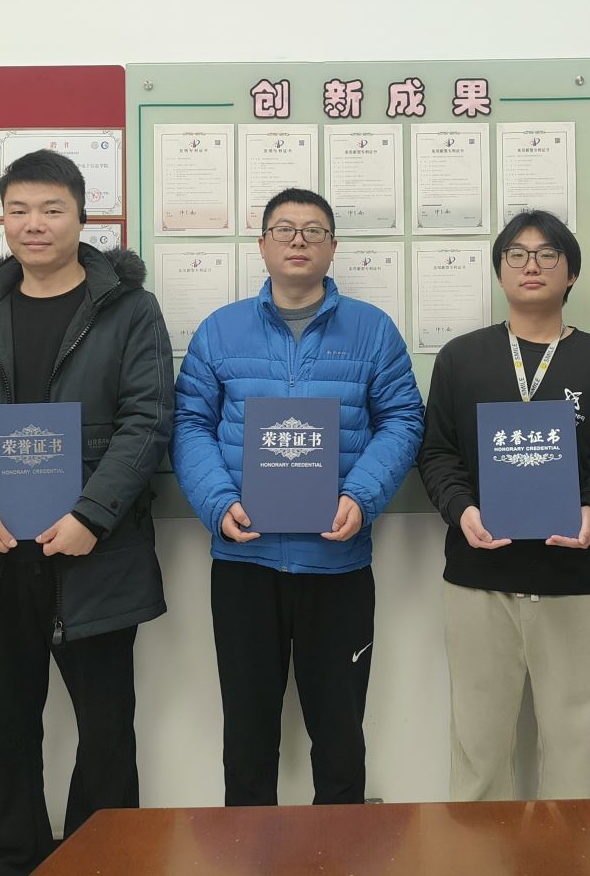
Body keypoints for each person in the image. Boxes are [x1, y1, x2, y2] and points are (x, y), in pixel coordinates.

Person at [0, 149, 174, 876]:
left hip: (95, 554)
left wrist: (92, 515)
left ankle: (104, 864)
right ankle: (9, 861)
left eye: (52, 209)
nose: (35, 224)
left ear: (82, 217)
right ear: (3, 218)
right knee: (2, 734)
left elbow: (148, 419)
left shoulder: (129, 308)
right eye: (20, 210)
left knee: (105, 733)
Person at [173, 187, 423, 806]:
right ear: (262, 245)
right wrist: (217, 502)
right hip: (245, 562)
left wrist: (361, 495)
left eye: (314, 231)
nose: (298, 241)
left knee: (339, 734)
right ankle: (248, 849)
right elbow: (189, 424)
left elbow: (402, 420)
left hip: (337, 564)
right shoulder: (220, 330)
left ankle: (341, 850)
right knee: (247, 733)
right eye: (284, 229)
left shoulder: (372, 330)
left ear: (333, 248)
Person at [417, 209, 590, 800]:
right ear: (500, 272)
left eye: (547, 254)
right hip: (479, 578)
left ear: (571, 274)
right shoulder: (461, 358)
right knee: (479, 748)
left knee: (574, 743)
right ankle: (478, 851)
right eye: (516, 254)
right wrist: (462, 511)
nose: (531, 265)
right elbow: (436, 453)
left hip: (574, 578)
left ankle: (571, 851)